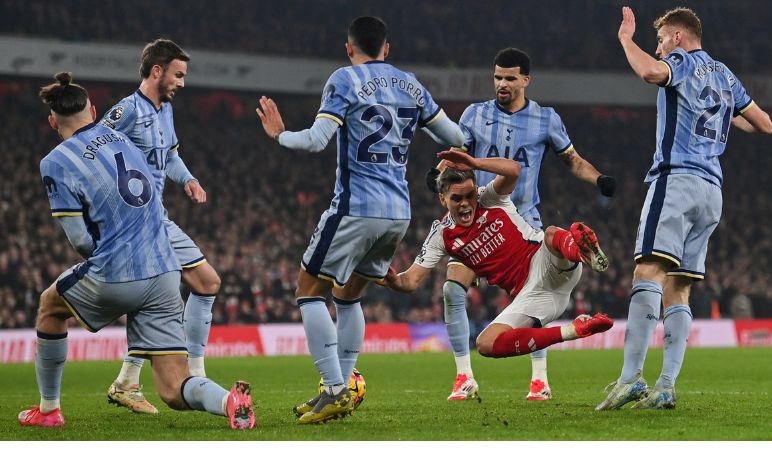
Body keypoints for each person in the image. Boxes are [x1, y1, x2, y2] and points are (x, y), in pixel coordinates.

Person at [255, 16, 465, 424]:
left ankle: (333, 388)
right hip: (398, 213)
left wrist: (279, 134)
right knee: (349, 295)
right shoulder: (412, 84)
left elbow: (316, 140)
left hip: (356, 208)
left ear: (349, 49)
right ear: (387, 48)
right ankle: (344, 384)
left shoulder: (344, 79)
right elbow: (455, 137)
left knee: (308, 290)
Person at [19, 73, 254, 429]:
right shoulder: (122, 138)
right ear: (94, 110)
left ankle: (49, 410)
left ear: (53, 121)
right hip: (164, 273)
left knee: (50, 306)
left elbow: (80, 239)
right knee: (174, 389)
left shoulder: (55, 161)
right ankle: (229, 401)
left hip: (116, 273)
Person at [596, 6, 772, 410]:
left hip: (676, 180)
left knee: (648, 272)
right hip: (712, 192)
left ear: (678, 37)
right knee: (679, 288)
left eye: (660, 40)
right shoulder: (726, 75)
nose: (658, 49)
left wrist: (626, 40)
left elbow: (650, 73)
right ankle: (666, 387)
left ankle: (630, 379)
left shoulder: (680, 61)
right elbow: (764, 124)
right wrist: (729, 117)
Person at [424, 48, 616, 402]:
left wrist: (598, 178)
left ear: (526, 80)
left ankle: (539, 380)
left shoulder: (546, 119)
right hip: (479, 222)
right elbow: (457, 159)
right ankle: (463, 376)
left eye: (510, 78)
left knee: (528, 301)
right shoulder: (474, 114)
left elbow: (572, 161)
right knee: (452, 291)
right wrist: (437, 177)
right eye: (497, 77)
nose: (502, 83)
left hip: (523, 222)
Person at [383, 150, 613, 364]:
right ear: (442, 199)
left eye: (469, 195)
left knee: (552, 234)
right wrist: (383, 276)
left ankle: (583, 253)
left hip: (546, 263)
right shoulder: (442, 235)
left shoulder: (489, 198)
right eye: (456, 199)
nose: (465, 204)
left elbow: (513, 170)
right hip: (530, 296)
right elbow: (410, 281)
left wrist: (474, 163)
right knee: (485, 344)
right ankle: (574, 330)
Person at [100, 39, 222, 414]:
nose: (182, 83)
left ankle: (159, 376)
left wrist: (188, 179)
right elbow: (91, 149)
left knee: (207, 283)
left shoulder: (165, 110)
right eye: (178, 74)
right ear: (157, 71)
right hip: (132, 225)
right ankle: (134, 381)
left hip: (159, 219)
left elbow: (169, 155)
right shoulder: (125, 112)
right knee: (157, 293)